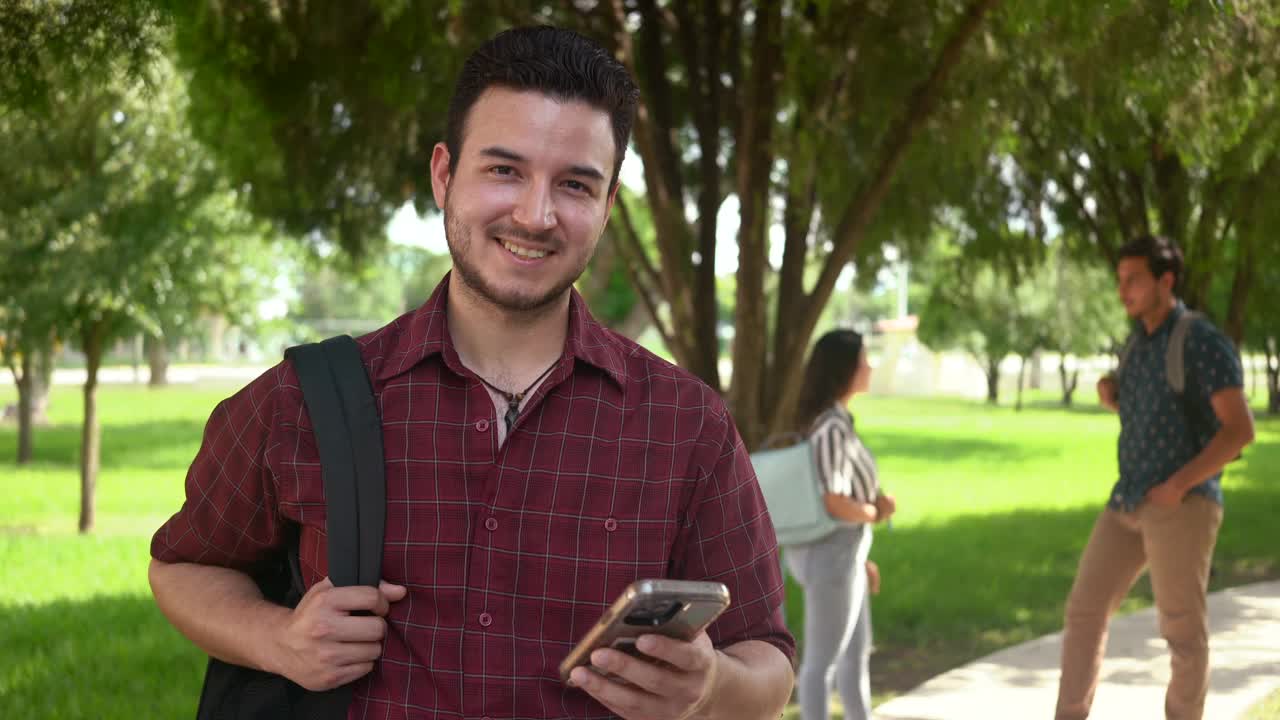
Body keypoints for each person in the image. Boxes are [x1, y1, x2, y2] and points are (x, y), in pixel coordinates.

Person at [148, 26, 795, 720]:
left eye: (574, 184)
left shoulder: (686, 424)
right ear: (443, 175)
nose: (535, 214)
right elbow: (184, 567)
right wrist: (277, 638)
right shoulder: (305, 399)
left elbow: (769, 662)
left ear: (607, 207)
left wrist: (709, 687)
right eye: (504, 170)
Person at [1055, 235, 1255, 720]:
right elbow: (1155, 412)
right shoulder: (1137, 343)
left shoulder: (1201, 340)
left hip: (1180, 504)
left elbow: (1239, 430)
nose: (1123, 290)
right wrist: (1114, 399)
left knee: (1183, 634)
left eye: (1134, 279)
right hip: (1127, 501)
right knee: (1084, 612)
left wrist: (1178, 486)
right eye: (1120, 280)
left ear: (1166, 281)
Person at [784, 329, 896, 720]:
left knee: (854, 658)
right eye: (863, 360)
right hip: (831, 558)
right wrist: (876, 513)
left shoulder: (838, 423)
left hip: (844, 557)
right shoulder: (831, 427)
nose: (869, 366)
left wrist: (862, 557)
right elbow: (834, 501)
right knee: (821, 665)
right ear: (844, 369)